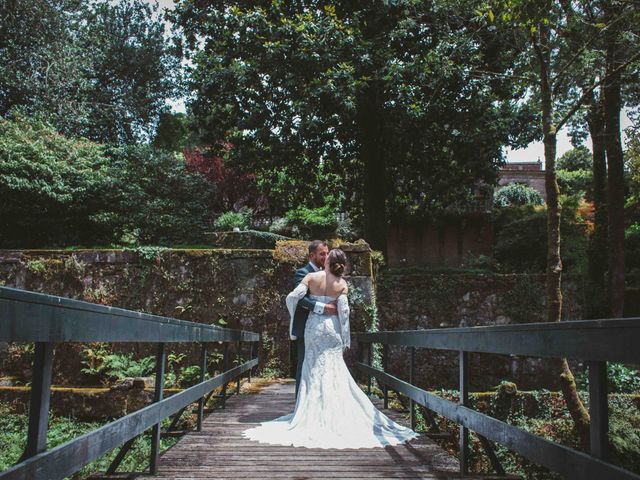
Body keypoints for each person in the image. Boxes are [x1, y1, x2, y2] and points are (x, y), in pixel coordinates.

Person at [242, 248, 418, 449]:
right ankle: (337, 412)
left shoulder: (310, 277)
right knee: (335, 370)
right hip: (332, 330)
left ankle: (310, 412)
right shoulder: (342, 284)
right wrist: (345, 339)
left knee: (312, 368)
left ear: (327, 262)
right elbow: (344, 313)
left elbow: (292, 297)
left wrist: (294, 319)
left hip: (314, 329)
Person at [291, 240, 336, 399]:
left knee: (324, 367)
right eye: (322, 254)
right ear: (312, 255)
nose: (326, 256)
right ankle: (300, 404)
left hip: (326, 329)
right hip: (306, 327)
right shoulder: (302, 273)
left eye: (327, 253)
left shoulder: (329, 273)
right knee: (304, 364)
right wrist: (323, 308)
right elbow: (300, 299)